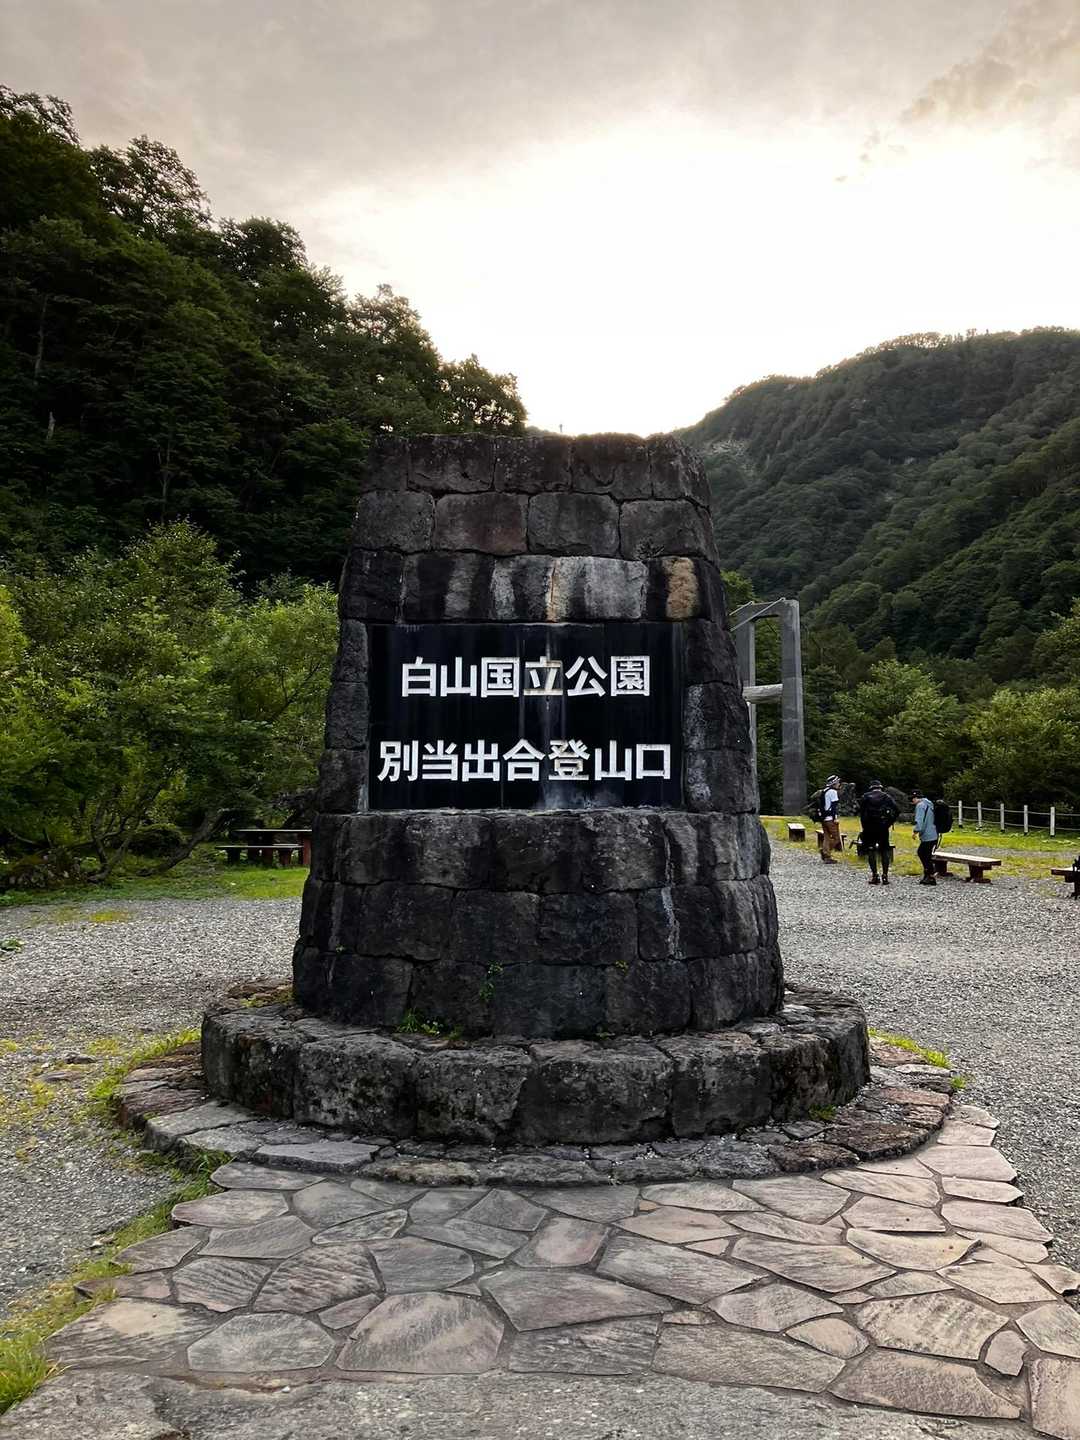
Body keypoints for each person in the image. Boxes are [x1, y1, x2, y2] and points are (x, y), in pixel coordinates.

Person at [858, 779, 899, 886]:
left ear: (871, 788)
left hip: (869, 827)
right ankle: (885, 876)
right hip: (883, 826)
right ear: (880, 787)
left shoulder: (865, 797)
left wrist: (864, 826)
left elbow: (861, 813)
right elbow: (897, 810)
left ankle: (875, 875)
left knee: (871, 850)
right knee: (884, 850)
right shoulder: (886, 797)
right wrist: (889, 822)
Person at [912, 787, 939, 885]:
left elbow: (919, 820)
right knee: (926, 854)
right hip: (934, 833)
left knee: (922, 853)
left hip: (928, 834)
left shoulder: (920, 806)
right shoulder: (929, 803)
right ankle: (928, 875)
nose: (912, 801)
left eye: (912, 798)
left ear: (916, 798)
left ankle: (930, 875)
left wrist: (915, 831)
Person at [820, 774, 842, 864]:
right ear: (834, 783)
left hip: (823, 818)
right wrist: (835, 818)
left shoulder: (824, 791)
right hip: (830, 819)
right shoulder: (833, 792)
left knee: (827, 837)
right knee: (837, 838)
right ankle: (825, 853)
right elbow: (834, 807)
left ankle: (826, 855)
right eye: (838, 782)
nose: (839, 784)